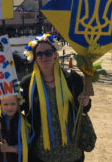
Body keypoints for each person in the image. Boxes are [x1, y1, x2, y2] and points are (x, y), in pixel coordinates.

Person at [20, 34, 91, 162]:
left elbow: (85, 109)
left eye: (48, 52)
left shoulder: (72, 78)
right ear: (35, 58)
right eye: (39, 54)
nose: (44, 57)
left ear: (55, 54)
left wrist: (85, 102)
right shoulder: (27, 84)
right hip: (42, 153)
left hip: (72, 151)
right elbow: (17, 110)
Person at [0, 95, 29, 162]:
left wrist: (10, 149)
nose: (9, 107)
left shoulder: (23, 123)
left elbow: (27, 146)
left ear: (18, 104)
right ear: (0, 105)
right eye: (5, 104)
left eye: (13, 104)